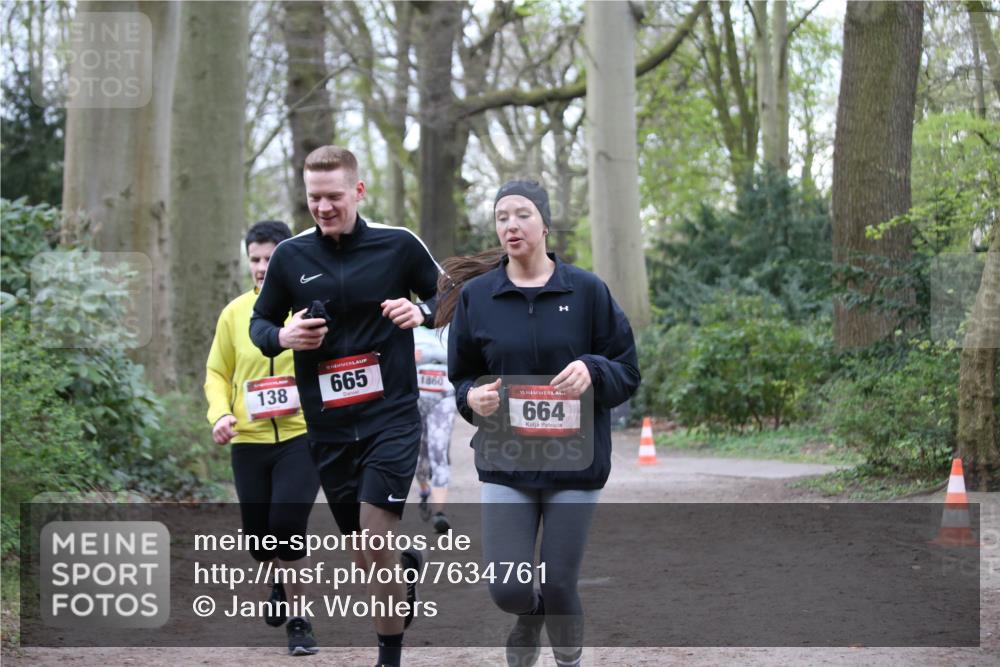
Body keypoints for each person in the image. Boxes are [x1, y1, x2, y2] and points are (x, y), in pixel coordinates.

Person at [250, 146, 441, 667]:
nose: (323, 207)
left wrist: (421, 312)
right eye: (314, 197)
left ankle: (389, 658)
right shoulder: (291, 257)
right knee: (367, 554)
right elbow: (260, 324)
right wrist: (284, 335)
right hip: (329, 427)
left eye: (333, 196)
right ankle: (404, 567)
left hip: (391, 416)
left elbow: (449, 296)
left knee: (374, 538)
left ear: (358, 191)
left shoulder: (397, 245)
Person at [440, 180, 640, 667]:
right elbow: (462, 378)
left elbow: (627, 371)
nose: (511, 225)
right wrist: (472, 398)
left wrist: (593, 370)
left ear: (545, 224)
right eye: (502, 217)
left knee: (558, 581)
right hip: (507, 460)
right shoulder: (477, 297)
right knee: (507, 588)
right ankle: (529, 617)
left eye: (522, 214)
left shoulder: (587, 291)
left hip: (575, 460)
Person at [204, 220, 322, 656]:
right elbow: (217, 373)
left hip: (301, 436)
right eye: (254, 259)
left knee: (287, 526)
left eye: (270, 259)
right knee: (258, 539)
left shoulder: (310, 310)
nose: (260, 267)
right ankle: (277, 579)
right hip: (248, 439)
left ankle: (300, 621)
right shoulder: (235, 313)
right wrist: (220, 414)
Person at [412, 325, 456, 534]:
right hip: (415, 399)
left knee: (439, 450)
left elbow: (461, 357)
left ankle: (439, 512)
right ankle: (424, 490)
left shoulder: (452, 328)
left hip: (444, 397)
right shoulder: (410, 325)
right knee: (418, 458)